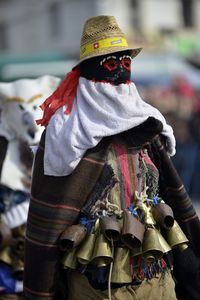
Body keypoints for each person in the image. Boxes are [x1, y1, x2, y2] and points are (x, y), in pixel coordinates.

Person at [23, 16, 200, 300]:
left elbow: (175, 197)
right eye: (109, 63)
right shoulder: (65, 135)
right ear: (88, 71)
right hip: (98, 285)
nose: (119, 71)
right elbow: (48, 220)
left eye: (125, 63)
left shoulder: (145, 124)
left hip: (157, 279)